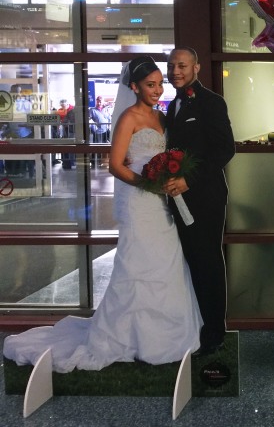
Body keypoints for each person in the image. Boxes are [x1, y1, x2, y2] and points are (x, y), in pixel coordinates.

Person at [2, 56, 201, 372]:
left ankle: (162, 336)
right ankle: (126, 336)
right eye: (150, 85)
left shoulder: (162, 118)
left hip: (160, 205)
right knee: (137, 263)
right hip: (139, 202)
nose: (157, 89)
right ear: (134, 87)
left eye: (160, 83)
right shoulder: (128, 118)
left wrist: (169, 176)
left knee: (166, 260)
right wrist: (148, 183)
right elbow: (115, 164)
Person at [165, 47, 235, 356]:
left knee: (208, 262)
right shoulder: (172, 106)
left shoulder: (212, 103)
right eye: (171, 66)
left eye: (182, 65)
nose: (175, 71)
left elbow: (224, 151)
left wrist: (188, 180)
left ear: (197, 67)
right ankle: (197, 326)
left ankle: (215, 333)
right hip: (177, 200)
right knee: (190, 262)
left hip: (205, 198)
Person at [89, 96, 111, 167]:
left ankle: (103, 161)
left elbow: (108, 118)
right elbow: (89, 120)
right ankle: (94, 162)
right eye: (98, 101)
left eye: (101, 101)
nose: (99, 102)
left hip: (106, 130)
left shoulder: (105, 109)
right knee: (97, 147)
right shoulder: (92, 110)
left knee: (105, 146)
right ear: (96, 101)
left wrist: (109, 126)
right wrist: (94, 128)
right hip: (98, 132)